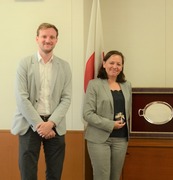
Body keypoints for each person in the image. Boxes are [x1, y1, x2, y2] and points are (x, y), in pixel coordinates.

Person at [11, 23, 72, 180]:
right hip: (28, 124)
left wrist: (50, 123)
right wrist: (40, 125)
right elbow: (21, 98)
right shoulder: (24, 64)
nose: (48, 40)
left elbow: (66, 98)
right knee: (28, 173)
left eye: (52, 37)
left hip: (55, 126)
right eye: (44, 36)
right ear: (37, 38)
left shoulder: (64, 66)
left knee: (54, 173)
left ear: (56, 40)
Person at [83, 50, 132, 180]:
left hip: (121, 139)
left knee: (115, 177)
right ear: (104, 64)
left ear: (122, 67)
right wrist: (111, 125)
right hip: (99, 139)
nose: (115, 67)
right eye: (111, 63)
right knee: (102, 177)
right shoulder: (94, 84)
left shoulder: (127, 86)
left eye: (119, 64)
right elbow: (87, 114)